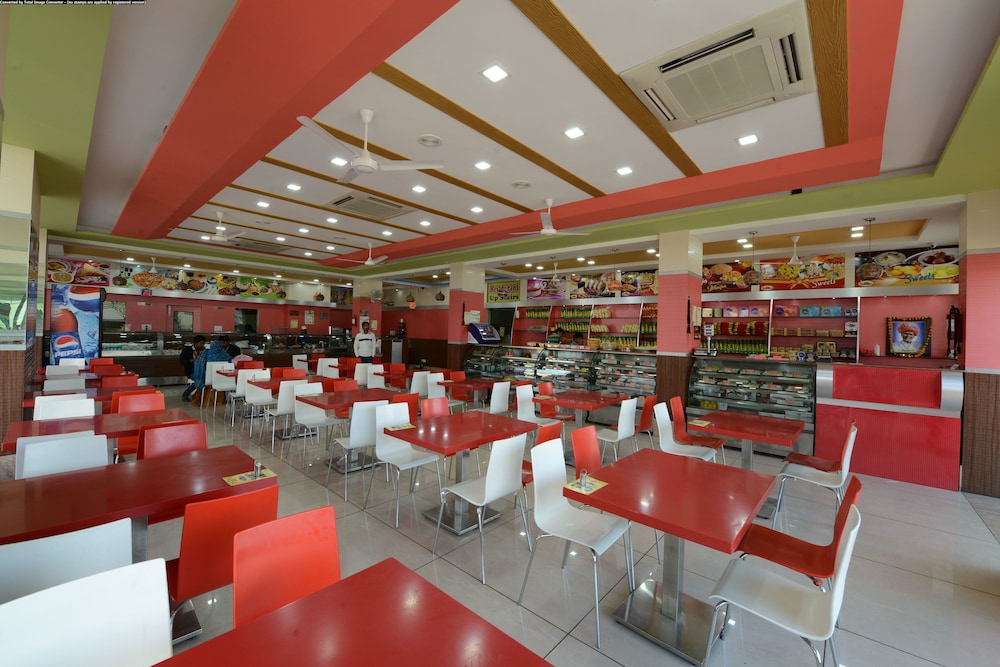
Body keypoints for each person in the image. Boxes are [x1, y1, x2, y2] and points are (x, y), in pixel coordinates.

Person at [189, 337, 235, 403]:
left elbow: (199, 365)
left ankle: (200, 398)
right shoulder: (225, 355)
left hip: (206, 379)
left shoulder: (206, 353)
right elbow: (231, 364)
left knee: (201, 380)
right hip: (222, 380)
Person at [179, 335, 205, 401]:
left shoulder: (203, 350)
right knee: (200, 381)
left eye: (203, 344)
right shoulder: (187, 350)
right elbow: (182, 361)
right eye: (201, 343)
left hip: (202, 371)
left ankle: (199, 396)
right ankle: (186, 394)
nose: (202, 345)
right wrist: (192, 361)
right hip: (191, 371)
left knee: (203, 380)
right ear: (195, 343)